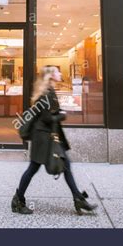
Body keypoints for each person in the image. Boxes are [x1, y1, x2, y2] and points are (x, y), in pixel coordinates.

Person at [11, 65, 97, 215]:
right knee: (33, 168)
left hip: (46, 136)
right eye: (57, 71)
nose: (60, 73)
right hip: (43, 138)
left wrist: (58, 114)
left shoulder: (48, 91)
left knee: (65, 166)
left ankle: (78, 199)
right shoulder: (47, 93)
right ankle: (18, 200)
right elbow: (46, 118)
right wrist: (61, 115)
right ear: (50, 75)